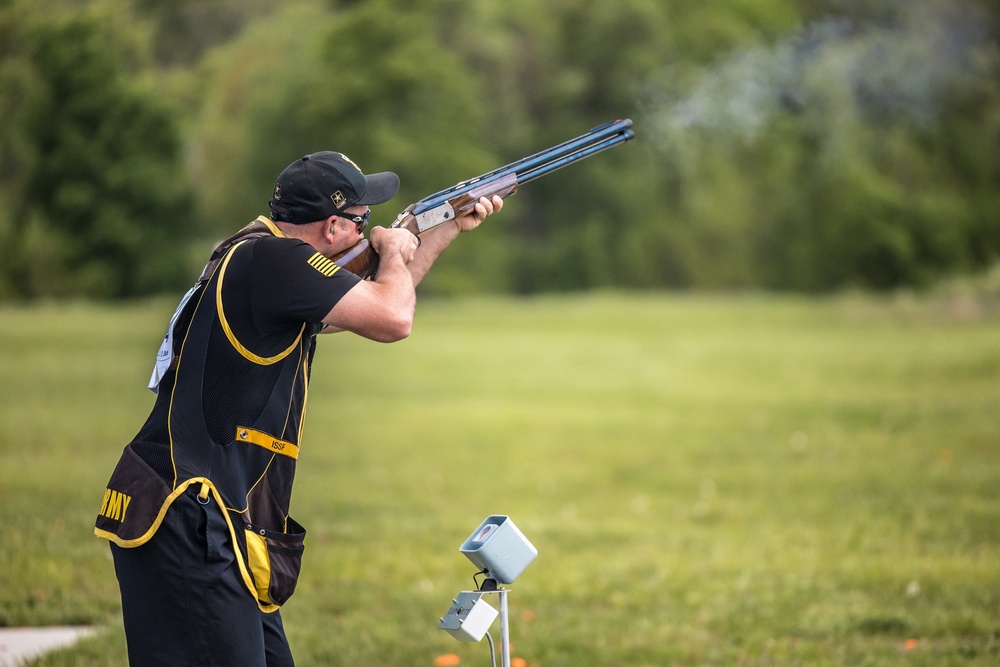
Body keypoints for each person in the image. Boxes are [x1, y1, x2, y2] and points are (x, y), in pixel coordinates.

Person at [94, 151, 503, 665]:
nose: (367, 231)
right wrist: (395, 250)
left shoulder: (259, 255)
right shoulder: (275, 260)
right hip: (190, 515)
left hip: (212, 517)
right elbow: (393, 318)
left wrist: (440, 231)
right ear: (333, 227)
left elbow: (361, 310)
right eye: (362, 221)